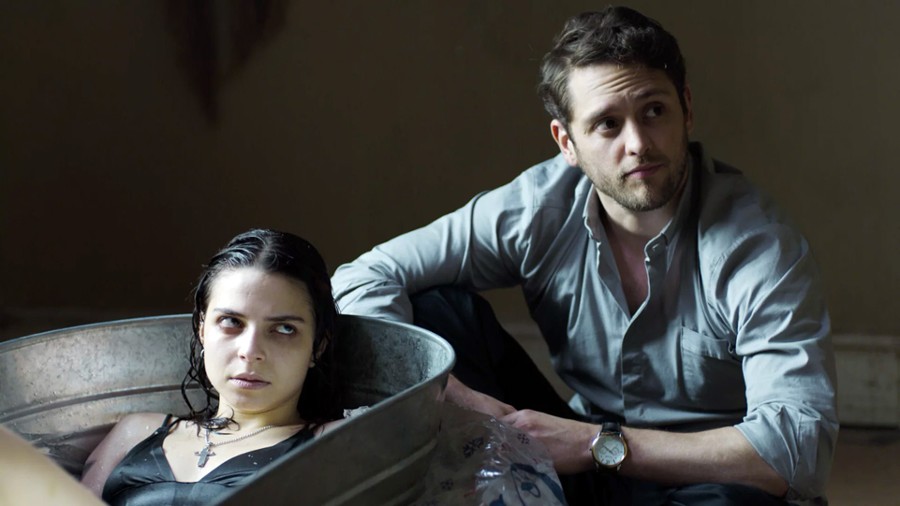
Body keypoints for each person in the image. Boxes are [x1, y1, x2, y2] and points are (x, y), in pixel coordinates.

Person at [331, 6, 837, 506]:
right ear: (566, 142)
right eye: (608, 124)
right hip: (582, 461)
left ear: (686, 108)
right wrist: (446, 396)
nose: (638, 144)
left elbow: (797, 450)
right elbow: (365, 276)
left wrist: (598, 444)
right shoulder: (538, 208)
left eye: (654, 111)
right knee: (436, 312)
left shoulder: (756, 245)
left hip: (706, 475)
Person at [78, 228, 343, 504]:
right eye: (231, 322)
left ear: (318, 346)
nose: (250, 352)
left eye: (284, 328)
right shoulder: (137, 432)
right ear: (202, 329)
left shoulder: (336, 442)